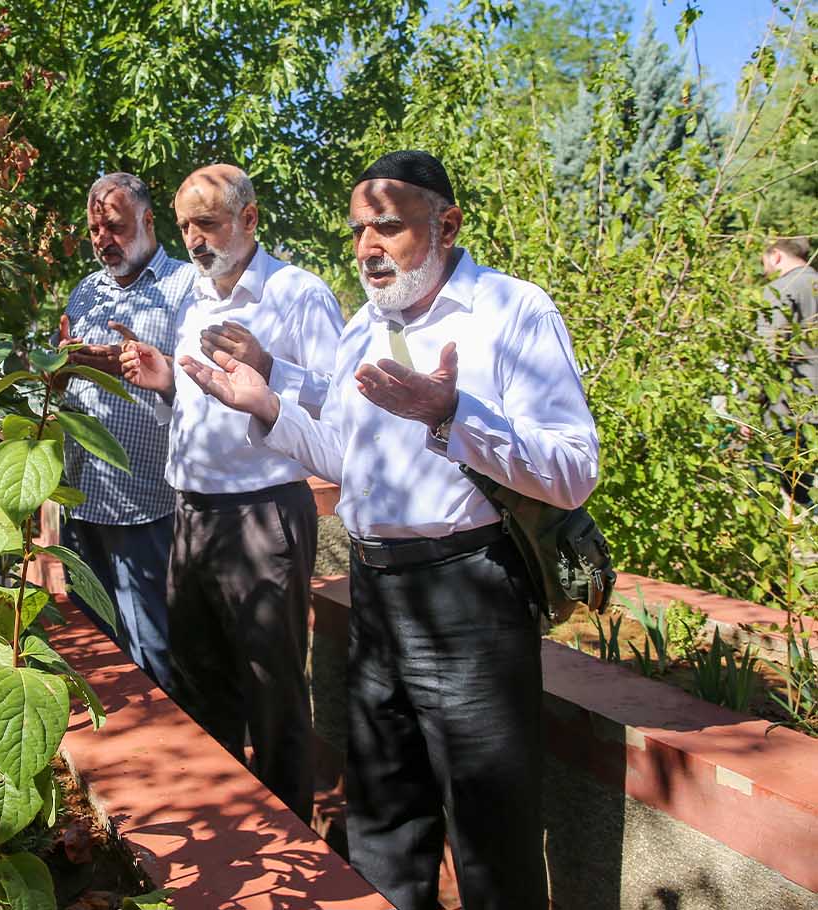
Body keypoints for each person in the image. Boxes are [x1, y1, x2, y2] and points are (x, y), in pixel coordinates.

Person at [179, 151, 599, 908]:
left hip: (469, 597)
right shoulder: (362, 327)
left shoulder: (511, 311)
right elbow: (345, 456)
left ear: (447, 224)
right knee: (381, 831)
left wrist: (452, 415)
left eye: (389, 228)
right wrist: (268, 406)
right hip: (377, 600)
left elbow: (572, 470)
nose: (368, 248)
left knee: (492, 841)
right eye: (358, 231)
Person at [117, 163, 344, 823]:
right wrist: (164, 384)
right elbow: (199, 412)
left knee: (272, 697)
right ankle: (226, 835)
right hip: (189, 514)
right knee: (198, 689)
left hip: (262, 515)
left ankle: (291, 844)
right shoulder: (191, 296)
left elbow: (344, 409)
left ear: (249, 219)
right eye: (185, 225)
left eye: (208, 223)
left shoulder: (298, 294)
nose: (194, 239)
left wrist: (274, 367)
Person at [56, 172, 197, 692]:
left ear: (147, 221)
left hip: (148, 504)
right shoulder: (85, 291)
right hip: (79, 500)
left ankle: (184, 764)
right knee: (97, 654)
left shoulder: (185, 288)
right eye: (94, 229)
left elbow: (204, 389)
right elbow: (63, 373)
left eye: (113, 227)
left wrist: (134, 366)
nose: (101, 240)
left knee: (156, 652)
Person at [760, 236, 817, 504]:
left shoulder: (782, 290)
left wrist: (750, 400)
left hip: (790, 405)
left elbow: (767, 350)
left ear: (776, 255)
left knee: (788, 488)